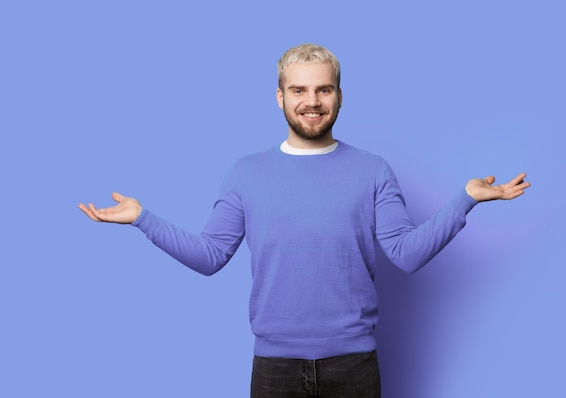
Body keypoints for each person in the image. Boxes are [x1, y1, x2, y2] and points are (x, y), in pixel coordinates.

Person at [78, 43, 530, 398]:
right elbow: (211, 255)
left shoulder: (372, 169)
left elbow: (406, 255)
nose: (311, 102)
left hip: (354, 367)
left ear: (338, 96)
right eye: (299, 90)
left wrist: (465, 200)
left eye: (323, 89)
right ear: (280, 97)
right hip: (274, 371)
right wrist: (143, 218)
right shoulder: (245, 172)